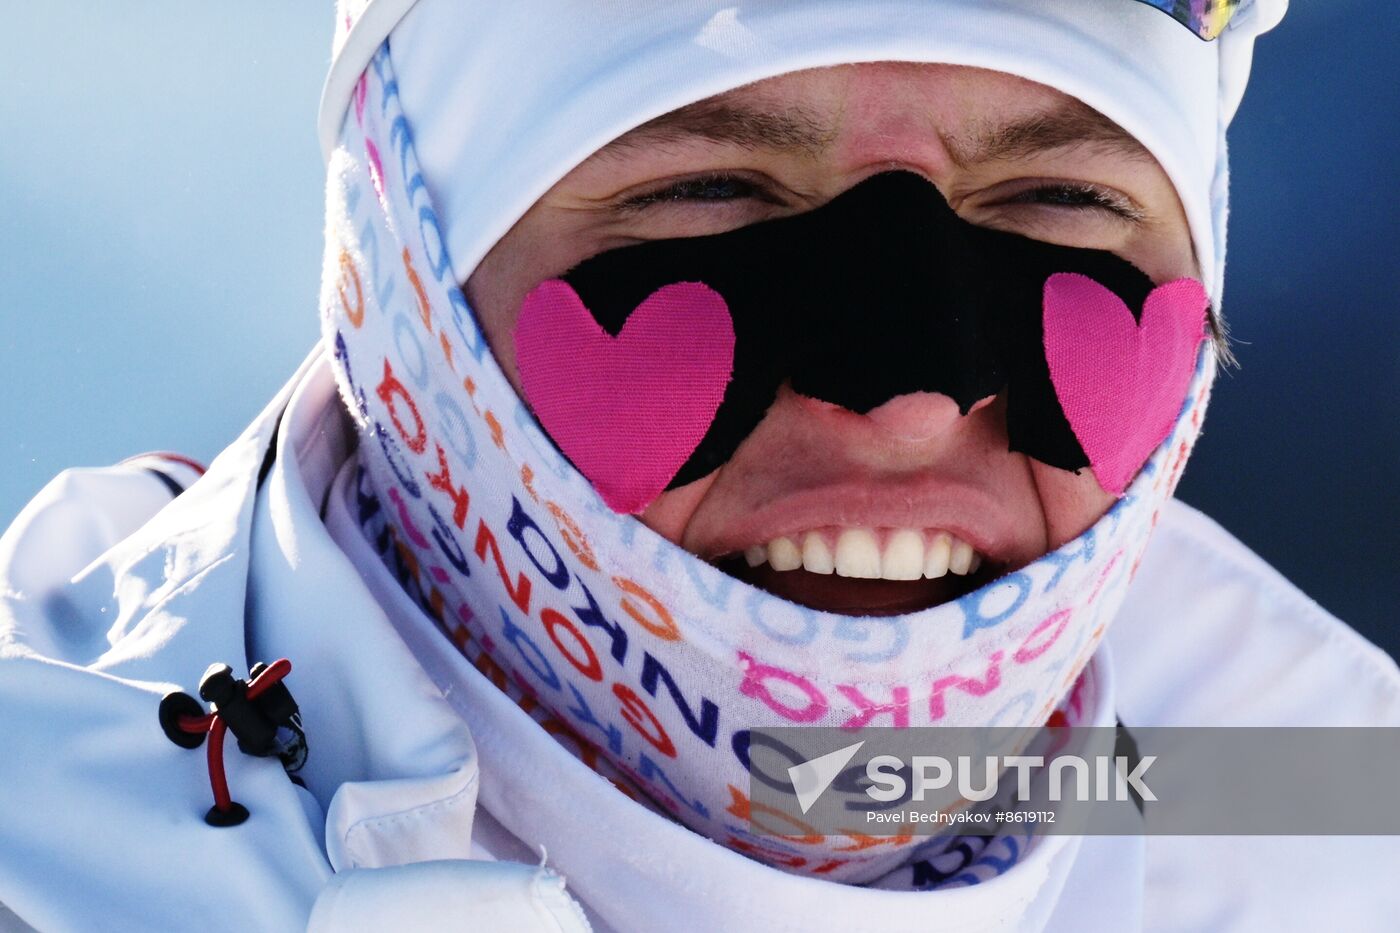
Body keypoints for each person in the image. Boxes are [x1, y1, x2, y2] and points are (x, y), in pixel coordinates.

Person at [2, 0, 1397, 930]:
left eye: (1059, 203)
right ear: (409, 294)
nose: (905, 402)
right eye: (708, 195)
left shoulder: (1336, 824)